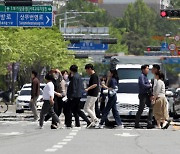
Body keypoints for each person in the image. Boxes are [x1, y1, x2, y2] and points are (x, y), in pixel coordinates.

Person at [135, 64, 153, 129]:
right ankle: (136, 123)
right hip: (143, 95)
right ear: (143, 69)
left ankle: (149, 123)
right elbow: (142, 85)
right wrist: (150, 85)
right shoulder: (141, 76)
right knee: (141, 109)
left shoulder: (145, 76)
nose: (148, 70)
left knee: (151, 107)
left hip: (146, 95)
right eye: (147, 68)